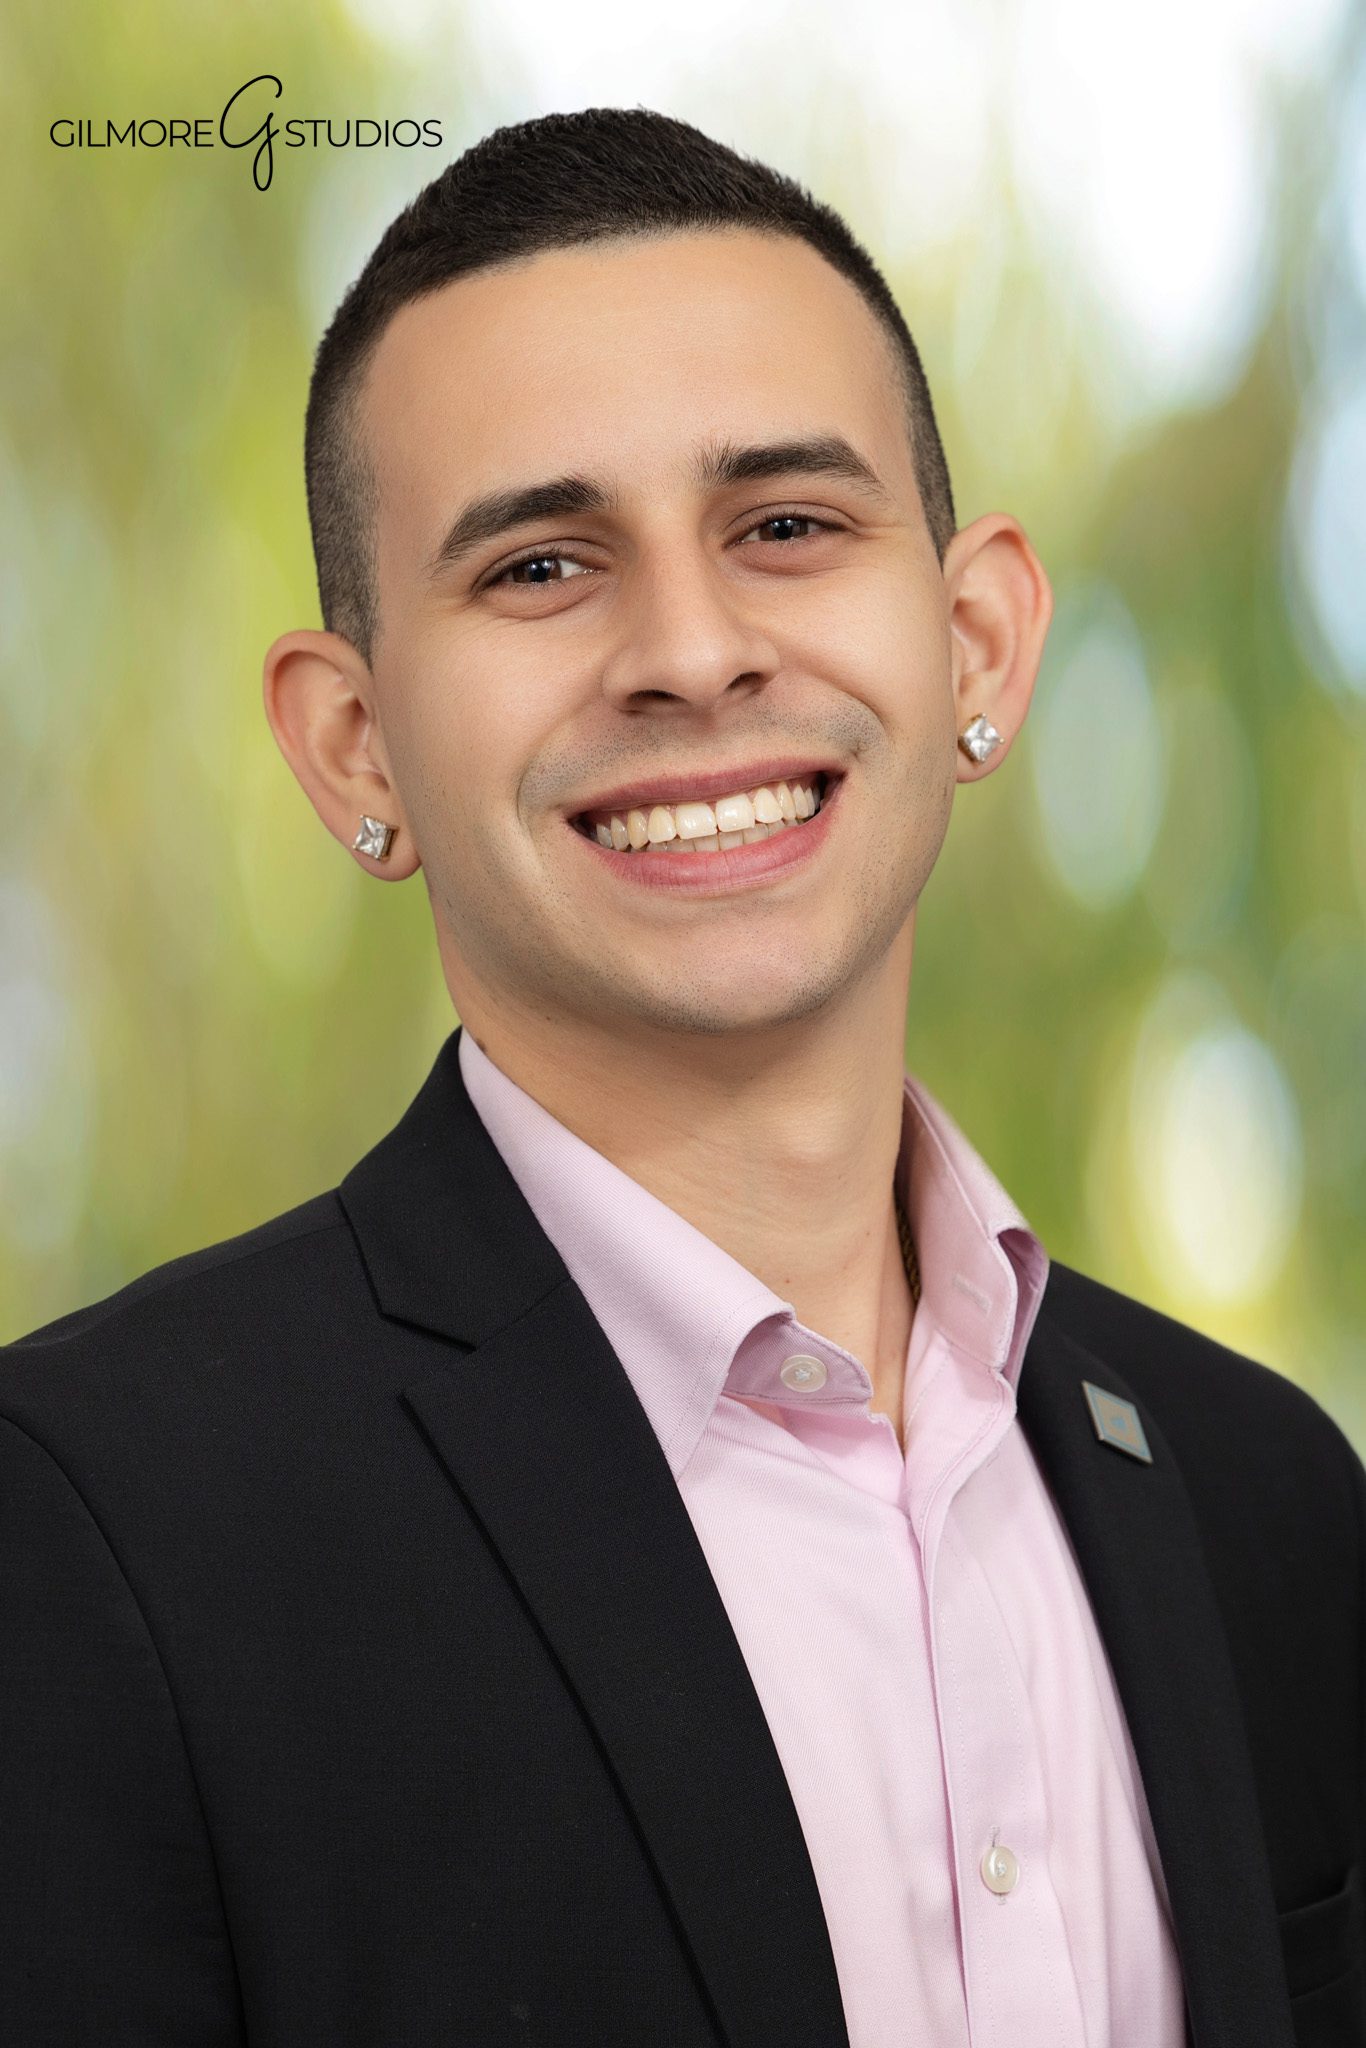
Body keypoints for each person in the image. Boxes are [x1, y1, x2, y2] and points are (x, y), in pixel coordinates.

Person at [2, 106, 1362, 2048]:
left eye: (784, 527)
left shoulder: (1268, 1505)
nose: (691, 649)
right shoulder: (88, 1536)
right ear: (353, 745)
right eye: (544, 563)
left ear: (972, 636)